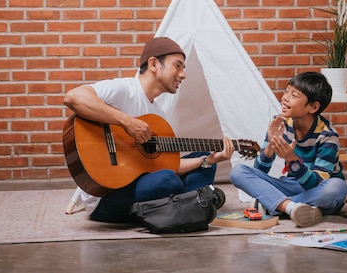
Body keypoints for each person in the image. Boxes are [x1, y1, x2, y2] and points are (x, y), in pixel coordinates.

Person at [64, 36, 234, 223]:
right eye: (178, 66)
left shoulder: (158, 116)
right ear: (153, 64)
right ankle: (192, 201)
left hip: (142, 183)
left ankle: (181, 203)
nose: (183, 74)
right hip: (106, 196)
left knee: (204, 162)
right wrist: (127, 122)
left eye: (183, 68)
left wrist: (208, 159)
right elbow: (74, 97)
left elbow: (166, 164)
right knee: (167, 181)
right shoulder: (124, 89)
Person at [229, 71, 347, 228]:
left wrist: (292, 160)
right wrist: (270, 145)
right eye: (287, 91)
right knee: (238, 172)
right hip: (290, 185)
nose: (285, 98)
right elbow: (260, 170)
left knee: (338, 187)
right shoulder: (281, 124)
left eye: (294, 95)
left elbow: (316, 184)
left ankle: (275, 204)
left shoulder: (328, 136)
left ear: (313, 107)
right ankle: (290, 207)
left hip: (317, 189)